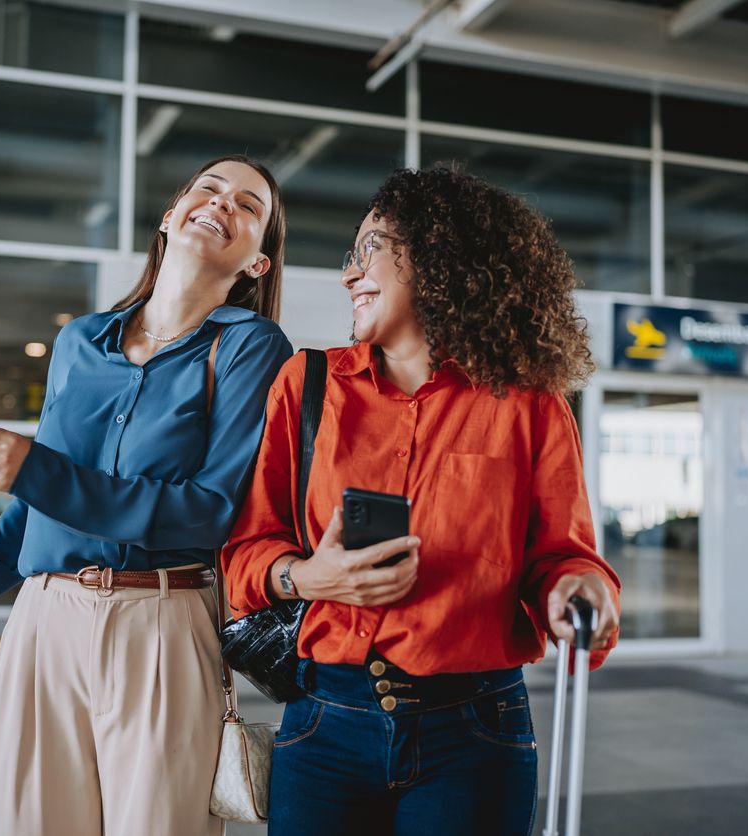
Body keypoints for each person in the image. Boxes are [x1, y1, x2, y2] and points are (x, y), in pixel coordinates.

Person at [0, 155, 294, 836]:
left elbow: (211, 510)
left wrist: (37, 472)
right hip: (45, 623)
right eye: (209, 190)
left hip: (162, 620)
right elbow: (32, 511)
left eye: (249, 207)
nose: (223, 205)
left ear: (257, 263)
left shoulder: (252, 349)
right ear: (171, 215)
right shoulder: (78, 341)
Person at [223, 166, 621, 836]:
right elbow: (245, 553)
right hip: (325, 725)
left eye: (372, 247)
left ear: (441, 262)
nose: (351, 272)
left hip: (474, 732)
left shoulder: (527, 403)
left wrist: (577, 589)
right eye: (350, 255)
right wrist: (308, 576)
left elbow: (563, 556)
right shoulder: (308, 383)